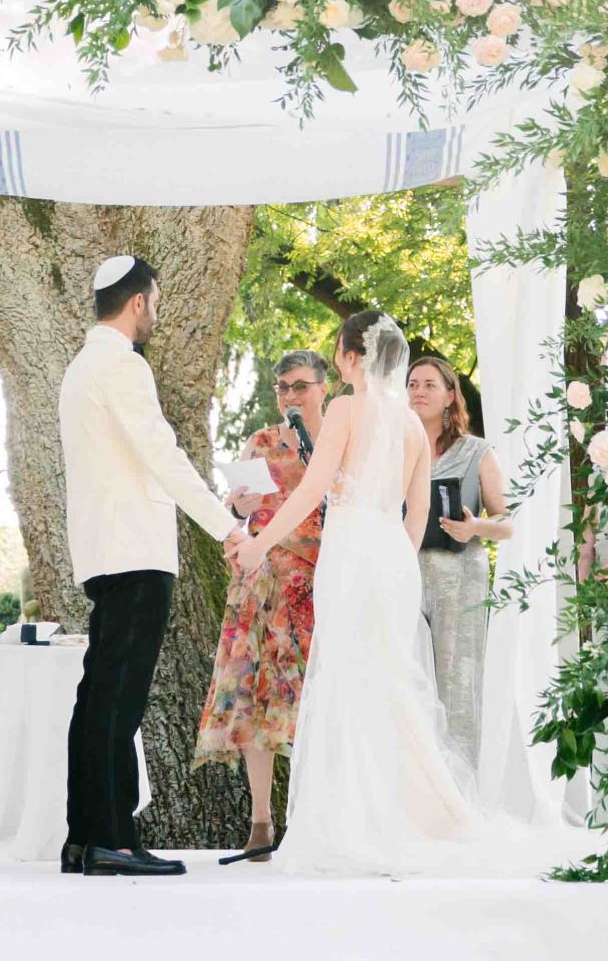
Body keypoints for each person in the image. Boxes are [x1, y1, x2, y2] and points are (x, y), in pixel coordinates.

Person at [234, 309, 556, 880]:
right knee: (389, 679)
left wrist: (260, 544)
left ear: (351, 356)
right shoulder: (409, 424)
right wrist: (397, 563)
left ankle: (352, 821)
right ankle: (414, 813)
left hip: (353, 546)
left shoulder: (344, 408)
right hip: (389, 554)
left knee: (346, 676)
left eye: (338, 352)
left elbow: (313, 489)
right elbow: (421, 509)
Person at [58, 251, 245, 876]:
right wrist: (226, 527)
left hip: (102, 548)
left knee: (98, 694)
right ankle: (111, 838)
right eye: (155, 303)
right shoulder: (122, 367)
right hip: (135, 549)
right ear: (139, 302)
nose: (155, 314)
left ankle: (84, 837)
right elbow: (163, 454)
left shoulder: (81, 368)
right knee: (119, 699)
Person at [195, 349, 330, 857]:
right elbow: (236, 509)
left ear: (325, 387)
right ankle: (260, 823)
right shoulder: (261, 441)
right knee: (256, 699)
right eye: (283, 388)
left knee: (314, 699)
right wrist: (239, 506)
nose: (291, 396)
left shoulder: (335, 442)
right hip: (263, 586)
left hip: (321, 584)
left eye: (300, 386)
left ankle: (317, 815)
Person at [408, 352, 514, 768]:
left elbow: (507, 522)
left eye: (429, 384)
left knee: (456, 682)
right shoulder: (395, 448)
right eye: (413, 384)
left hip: (460, 576)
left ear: (451, 396)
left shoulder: (477, 451)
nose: (418, 391)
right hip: (406, 574)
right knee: (409, 678)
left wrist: (475, 529)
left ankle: (460, 790)